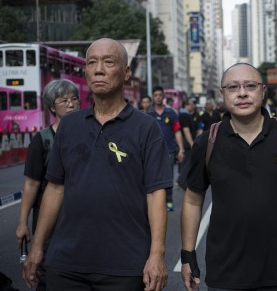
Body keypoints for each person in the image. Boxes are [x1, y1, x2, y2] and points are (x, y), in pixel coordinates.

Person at [22, 38, 171, 291]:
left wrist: (156, 255)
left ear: (126, 73)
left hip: (125, 265)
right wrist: (36, 248)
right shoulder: (69, 125)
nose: (98, 69)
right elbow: (55, 189)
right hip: (65, 264)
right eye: (92, 63)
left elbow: (156, 194)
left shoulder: (146, 127)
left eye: (108, 62)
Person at [180, 63, 277, 290]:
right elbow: (192, 200)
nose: (242, 93)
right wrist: (187, 256)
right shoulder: (207, 142)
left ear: (262, 91)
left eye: (250, 86)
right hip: (224, 272)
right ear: (222, 94)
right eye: (233, 87)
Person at [16, 79, 80, 291]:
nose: (71, 104)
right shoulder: (42, 140)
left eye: (74, 99)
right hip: (50, 220)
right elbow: (32, 185)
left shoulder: (90, 135)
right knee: (49, 276)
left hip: (82, 220)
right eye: (64, 101)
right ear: (52, 107)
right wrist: (23, 222)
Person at [149, 85, 185, 211]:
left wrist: (181, 149)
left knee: (167, 177)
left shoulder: (171, 113)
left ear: (163, 97)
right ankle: (155, 202)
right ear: (153, 97)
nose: (158, 97)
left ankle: (169, 201)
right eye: (155, 95)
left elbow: (177, 131)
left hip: (169, 150)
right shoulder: (149, 113)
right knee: (152, 177)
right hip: (152, 152)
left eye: (160, 95)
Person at [177, 98, 203, 190]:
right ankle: (182, 183)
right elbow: (186, 130)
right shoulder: (184, 115)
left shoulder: (186, 115)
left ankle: (183, 182)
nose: (192, 106)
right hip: (187, 144)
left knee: (186, 163)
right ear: (186, 105)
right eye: (191, 104)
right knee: (187, 164)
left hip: (187, 144)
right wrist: (192, 144)